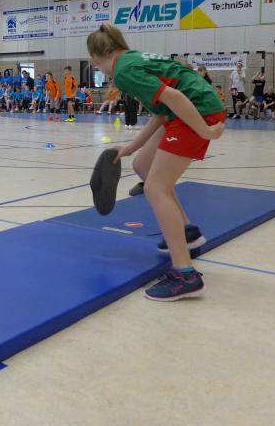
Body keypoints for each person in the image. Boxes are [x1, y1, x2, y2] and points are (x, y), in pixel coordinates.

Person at [87, 23, 225, 302]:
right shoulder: (132, 59)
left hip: (197, 111)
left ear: (96, 59)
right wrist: (131, 147)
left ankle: (185, 276)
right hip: (185, 111)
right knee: (143, 165)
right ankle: (186, 232)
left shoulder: (123, 72)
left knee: (155, 188)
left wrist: (205, 130)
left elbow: (175, 97)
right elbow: (162, 113)